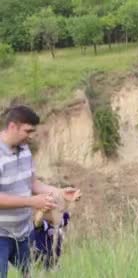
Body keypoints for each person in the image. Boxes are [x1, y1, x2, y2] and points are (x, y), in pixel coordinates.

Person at [0, 105, 77, 278]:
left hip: (23, 233)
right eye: (27, 131)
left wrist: (60, 192)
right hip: (1, 236)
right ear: (13, 126)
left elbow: (33, 184)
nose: (30, 136)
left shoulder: (25, 150)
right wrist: (31, 202)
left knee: (34, 274)